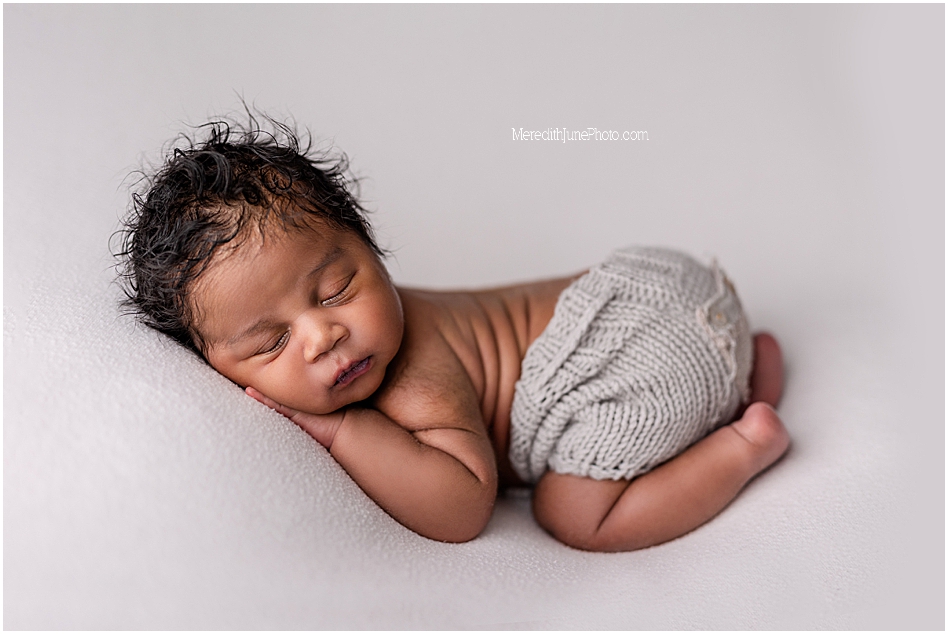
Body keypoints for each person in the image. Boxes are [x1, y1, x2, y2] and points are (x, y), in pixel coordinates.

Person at [118, 115, 789, 552]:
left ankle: (740, 444)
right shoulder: (358, 330)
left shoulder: (413, 369)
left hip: (644, 341)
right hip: (670, 290)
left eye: (335, 289)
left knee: (573, 513)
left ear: (372, 248)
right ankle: (738, 370)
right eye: (269, 344)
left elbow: (464, 505)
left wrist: (342, 431)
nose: (323, 334)